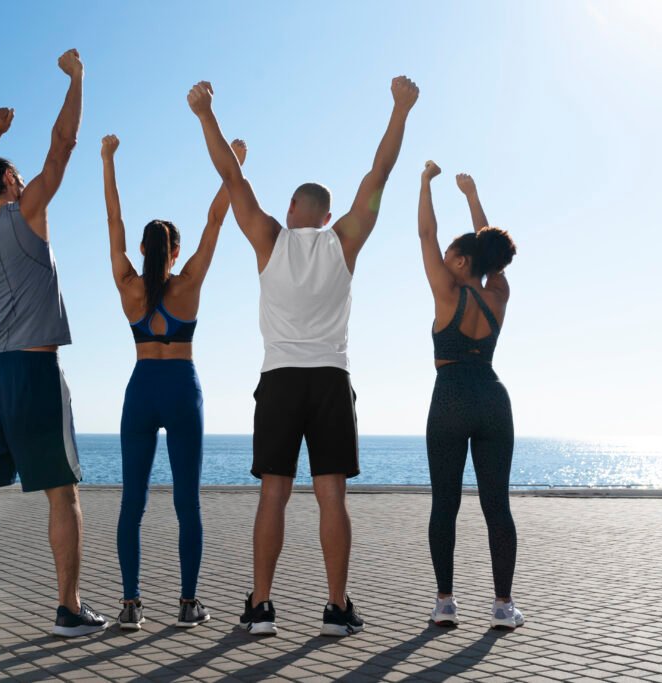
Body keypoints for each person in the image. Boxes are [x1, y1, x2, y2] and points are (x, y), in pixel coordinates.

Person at [187, 76, 419, 637]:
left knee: (274, 493)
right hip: (331, 380)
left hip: (281, 379)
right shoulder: (345, 240)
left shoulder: (268, 236)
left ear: (294, 207)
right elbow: (379, 174)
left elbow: (231, 175)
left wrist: (205, 114)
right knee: (331, 495)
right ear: (326, 213)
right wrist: (400, 108)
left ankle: (261, 606)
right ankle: (338, 608)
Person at [0, 49, 108, 638]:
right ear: (10, 186)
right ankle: (69, 608)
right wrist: (78, 79)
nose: (22, 179)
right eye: (14, 175)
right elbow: (62, 146)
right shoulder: (24, 212)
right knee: (62, 496)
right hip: (33, 373)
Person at [101, 133, 248, 631]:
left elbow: (113, 221)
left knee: (132, 504)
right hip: (183, 388)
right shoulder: (188, 285)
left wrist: (107, 160)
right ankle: (188, 606)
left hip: (141, 389)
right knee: (188, 501)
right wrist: (235, 166)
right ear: (176, 249)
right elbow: (215, 221)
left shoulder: (128, 285)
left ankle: (130, 606)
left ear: (142, 249)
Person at [417, 161, 523, 629]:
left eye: (448, 255)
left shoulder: (447, 292)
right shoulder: (497, 293)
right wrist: (473, 197)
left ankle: (446, 603)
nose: (439, 258)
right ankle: (503, 607)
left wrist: (425, 184)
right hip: (493, 397)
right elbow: (491, 254)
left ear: (461, 262)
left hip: (452, 397)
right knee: (496, 505)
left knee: (446, 502)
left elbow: (425, 233)